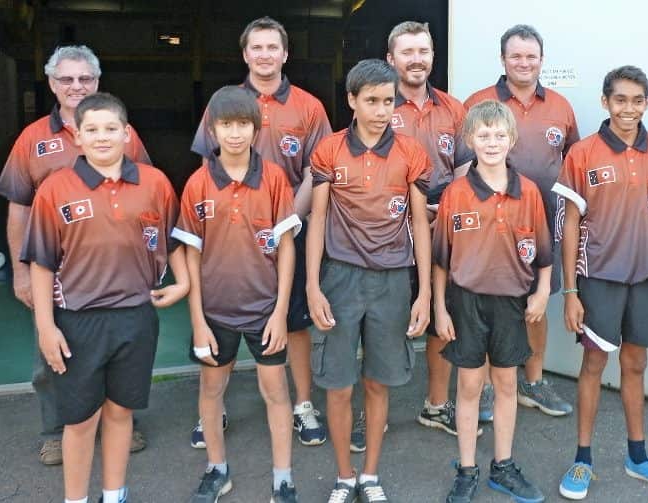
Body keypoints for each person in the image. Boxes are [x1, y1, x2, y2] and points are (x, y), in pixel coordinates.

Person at [22, 92, 188, 503]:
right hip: (78, 319)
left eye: (111, 128)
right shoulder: (55, 189)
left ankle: (114, 495)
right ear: (76, 136)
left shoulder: (154, 183)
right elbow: (42, 263)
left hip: (136, 316)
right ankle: (76, 499)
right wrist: (46, 326)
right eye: (91, 129)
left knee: (120, 412)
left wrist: (182, 281)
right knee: (80, 420)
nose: (102, 137)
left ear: (127, 134)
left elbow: (173, 238)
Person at [0, 45, 151, 466]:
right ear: (51, 83)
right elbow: (18, 207)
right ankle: (55, 431)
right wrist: (21, 271)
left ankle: (123, 422)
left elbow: (146, 194)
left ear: (97, 82)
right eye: (67, 79)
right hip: (56, 273)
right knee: (52, 356)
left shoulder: (126, 133)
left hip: (116, 275)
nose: (76, 86)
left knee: (120, 350)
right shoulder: (32, 139)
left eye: (85, 78)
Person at [191, 16, 333, 449]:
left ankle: (302, 405)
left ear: (285, 54)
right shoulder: (224, 104)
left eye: (273, 47)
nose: (265, 55)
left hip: (290, 229)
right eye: (257, 48)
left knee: (293, 321)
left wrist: (287, 217)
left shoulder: (309, 106)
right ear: (245, 54)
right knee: (226, 317)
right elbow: (206, 166)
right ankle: (213, 410)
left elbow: (317, 170)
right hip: (233, 235)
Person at [556, 66, 648, 500]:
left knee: (635, 365)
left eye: (637, 100)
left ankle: (638, 457)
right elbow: (570, 223)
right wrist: (571, 291)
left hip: (647, 278)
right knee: (594, 365)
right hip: (599, 279)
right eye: (620, 100)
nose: (628, 108)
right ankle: (582, 459)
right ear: (605, 102)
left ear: (646, 103)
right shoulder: (583, 153)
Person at [306, 59, 431, 503]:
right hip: (339, 279)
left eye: (388, 101)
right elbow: (317, 217)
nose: (382, 110)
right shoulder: (329, 150)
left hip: (393, 281)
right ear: (352, 101)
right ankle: (344, 476)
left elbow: (419, 222)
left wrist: (425, 295)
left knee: (379, 381)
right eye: (372, 101)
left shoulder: (411, 152)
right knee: (338, 385)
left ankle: (371, 475)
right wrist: (312, 286)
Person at [175, 86, 301, 502]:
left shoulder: (274, 178)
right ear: (212, 130)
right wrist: (197, 322)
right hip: (215, 311)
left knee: (276, 392)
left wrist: (280, 313)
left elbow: (286, 247)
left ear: (255, 128)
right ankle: (217, 470)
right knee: (211, 392)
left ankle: (282, 478)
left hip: (265, 309)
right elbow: (190, 256)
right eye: (226, 125)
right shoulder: (197, 183)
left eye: (242, 124)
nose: (234, 134)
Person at [434, 100, 549, 503]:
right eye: (483, 135)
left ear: (512, 139)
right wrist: (440, 308)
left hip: (511, 303)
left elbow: (545, 254)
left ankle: (503, 464)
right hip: (466, 302)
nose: (492, 141)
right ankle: (467, 468)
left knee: (505, 382)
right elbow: (441, 260)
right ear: (470, 140)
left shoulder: (529, 192)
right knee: (469, 385)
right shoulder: (457, 193)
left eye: (500, 134)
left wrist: (542, 291)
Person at [464, 24, 579, 417]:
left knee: (535, 305)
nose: (524, 63)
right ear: (502, 59)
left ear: (542, 60)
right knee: (486, 309)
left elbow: (573, 161)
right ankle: (486, 391)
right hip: (488, 231)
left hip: (542, 228)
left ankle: (533, 382)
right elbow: (463, 165)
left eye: (531, 56)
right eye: (516, 56)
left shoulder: (561, 107)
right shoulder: (479, 102)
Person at [385, 20, 476, 436]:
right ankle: (374, 410)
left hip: (443, 225)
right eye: (407, 52)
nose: (416, 59)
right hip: (388, 230)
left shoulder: (454, 109)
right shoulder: (378, 105)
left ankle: (436, 406)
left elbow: (465, 166)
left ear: (433, 56)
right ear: (391, 59)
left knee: (444, 317)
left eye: (423, 51)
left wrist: (447, 206)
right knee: (383, 322)